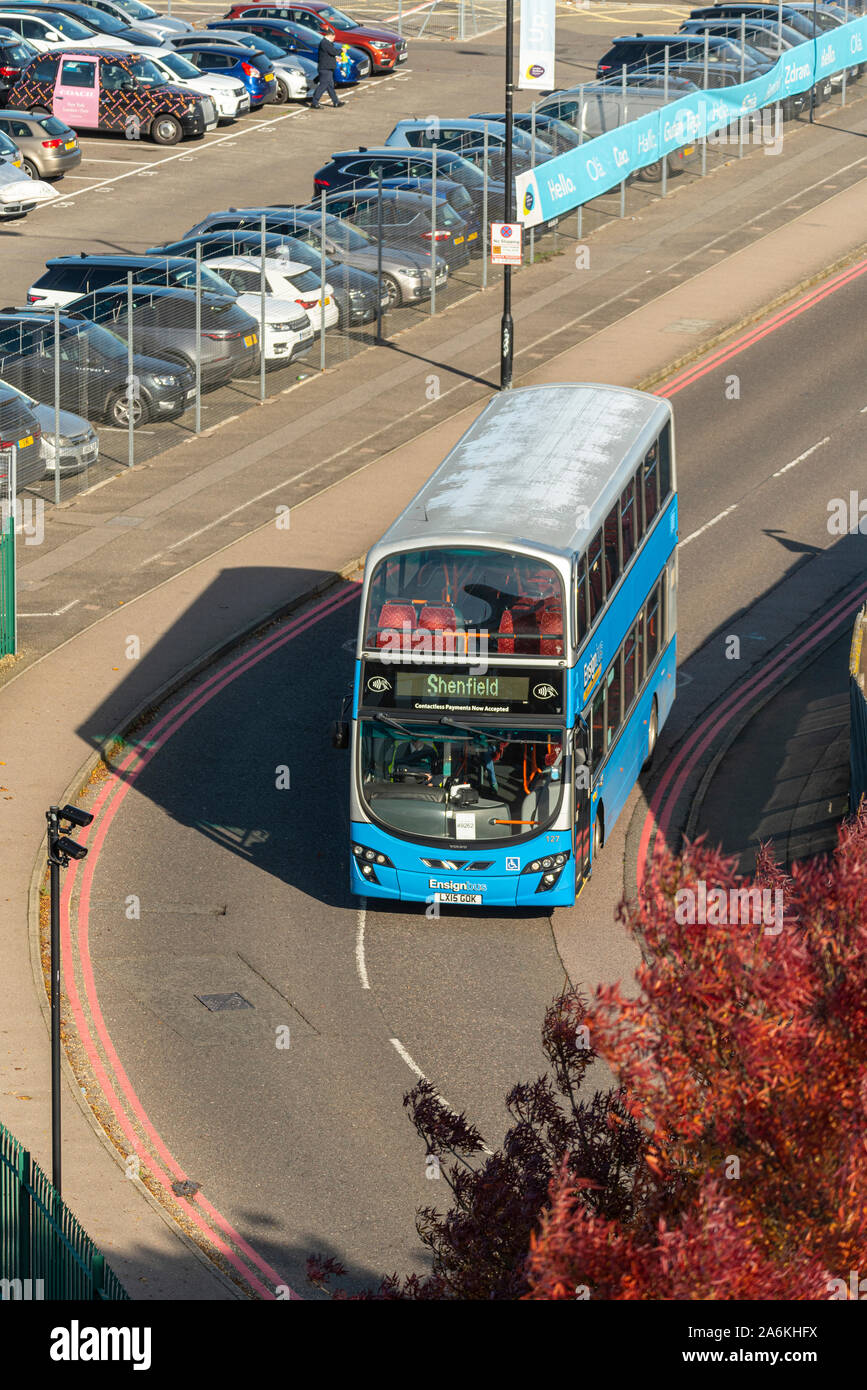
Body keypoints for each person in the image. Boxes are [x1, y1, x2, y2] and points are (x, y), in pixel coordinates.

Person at [309, 35, 345, 109]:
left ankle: (336, 102)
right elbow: (333, 52)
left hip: (327, 68)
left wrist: (335, 58)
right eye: (333, 37)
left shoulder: (326, 43)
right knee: (323, 85)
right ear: (330, 36)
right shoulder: (325, 43)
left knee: (330, 86)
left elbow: (328, 55)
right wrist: (341, 50)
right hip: (325, 68)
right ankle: (314, 102)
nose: (334, 39)